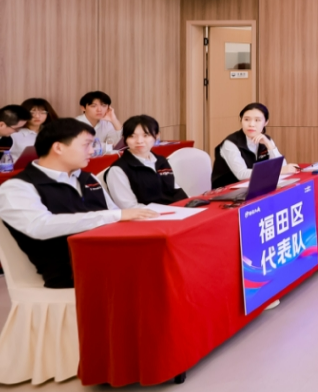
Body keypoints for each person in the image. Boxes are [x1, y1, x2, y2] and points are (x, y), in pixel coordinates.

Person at [0, 119, 157, 288]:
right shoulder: (17, 187)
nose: (92, 151)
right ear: (58, 148)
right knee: (156, 272)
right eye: (86, 145)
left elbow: (114, 215)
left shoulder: (87, 178)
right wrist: (114, 215)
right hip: (71, 270)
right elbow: (39, 226)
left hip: (109, 255)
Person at [104, 115, 187, 208]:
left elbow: (175, 190)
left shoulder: (161, 161)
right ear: (125, 139)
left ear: (157, 136)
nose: (139, 141)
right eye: (132, 136)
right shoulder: (118, 170)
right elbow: (130, 207)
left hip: (176, 211)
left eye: (145, 135)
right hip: (149, 215)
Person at [211, 103, 297, 188]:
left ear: (266, 122)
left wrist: (269, 145)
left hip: (254, 186)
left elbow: (283, 167)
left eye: (257, 120)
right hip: (227, 190)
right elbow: (241, 174)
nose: (251, 124)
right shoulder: (230, 143)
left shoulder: (265, 139)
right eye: (246, 119)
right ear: (241, 120)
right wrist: (276, 171)